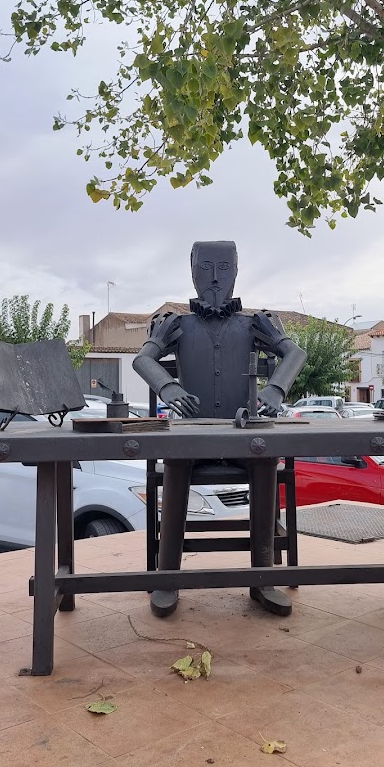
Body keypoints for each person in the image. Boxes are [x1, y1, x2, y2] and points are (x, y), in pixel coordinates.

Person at [133, 240, 306, 617]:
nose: (214, 278)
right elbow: (143, 359)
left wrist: (276, 388)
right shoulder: (176, 324)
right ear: (192, 271)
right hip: (193, 435)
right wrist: (168, 386)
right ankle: (167, 577)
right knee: (177, 461)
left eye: (224, 268)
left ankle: (263, 577)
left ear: (237, 272)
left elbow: (296, 353)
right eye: (206, 267)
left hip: (243, 433)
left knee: (265, 460)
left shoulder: (256, 323)